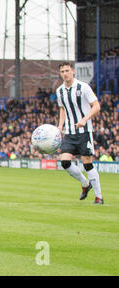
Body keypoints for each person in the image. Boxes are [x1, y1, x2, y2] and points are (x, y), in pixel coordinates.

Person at [57, 62, 104, 204]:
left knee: (87, 163)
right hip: (69, 132)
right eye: (62, 71)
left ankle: (99, 197)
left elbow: (96, 106)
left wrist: (85, 119)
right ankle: (85, 183)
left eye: (67, 70)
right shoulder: (59, 91)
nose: (65, 73)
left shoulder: (83, 87)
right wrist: (60, 126)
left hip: (84, 131)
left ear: (73, 71)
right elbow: (62, 109)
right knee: (64, 162)